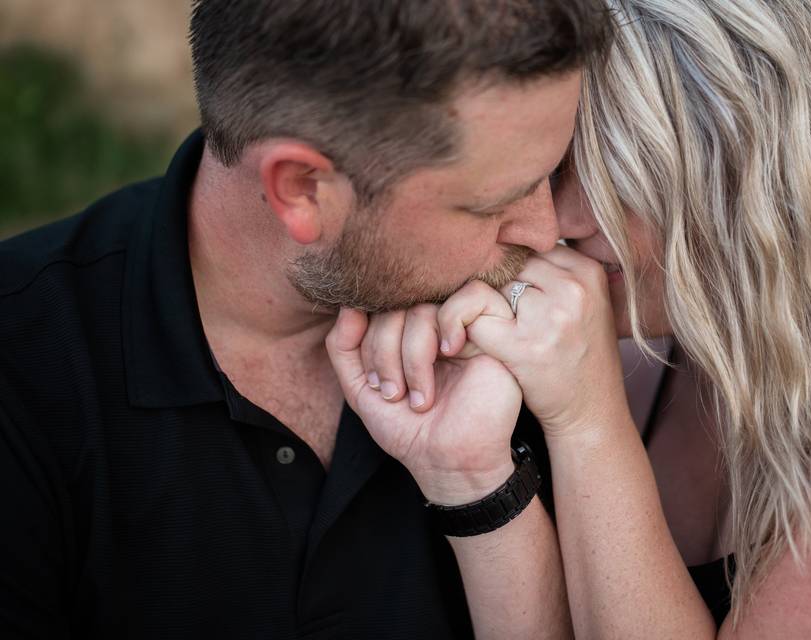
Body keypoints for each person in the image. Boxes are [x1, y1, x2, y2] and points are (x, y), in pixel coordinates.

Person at [335, 0, 811, 637]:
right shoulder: (629, 352)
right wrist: (471, 475)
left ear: (741, 177)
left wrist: (587, 423)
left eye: (603, 177)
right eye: (544, 173)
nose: (554, 226)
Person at [0, 2, 613, 637]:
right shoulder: (24, 372)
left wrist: (481, 482)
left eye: (553, 173)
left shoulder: (540, 338)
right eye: (493, 205)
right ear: (301, 190)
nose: (548, 234)